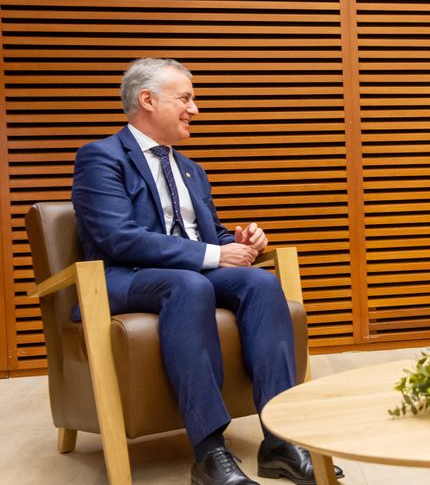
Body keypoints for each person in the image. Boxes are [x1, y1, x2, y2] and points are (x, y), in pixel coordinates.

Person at [72, 58, 343, 485]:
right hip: (125, 276)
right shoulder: (102, 157)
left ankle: (280, 440)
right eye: (186, 98)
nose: (195, 109)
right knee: (190, 284)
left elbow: (208, 235)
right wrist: (216, 257)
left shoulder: (191, 170)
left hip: (185, 274)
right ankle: (209, 451)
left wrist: (242, 241)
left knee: (259, 281)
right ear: (147, 100)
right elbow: (116, 238)